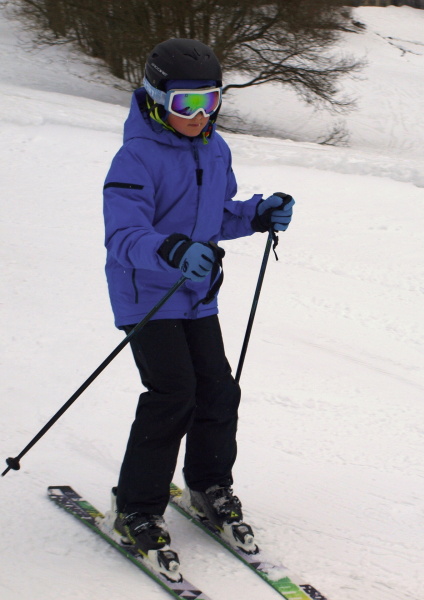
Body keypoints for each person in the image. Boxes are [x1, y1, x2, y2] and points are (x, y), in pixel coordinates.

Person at [102, 38, 294, 565]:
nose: (198, 115)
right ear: (156, 98)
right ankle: (137, 508)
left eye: (209, 101)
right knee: (173, 393)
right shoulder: (135, 157)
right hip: (147, 295)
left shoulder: (215, 149)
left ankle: (209, 486)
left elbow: (215, 216)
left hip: (197, 295)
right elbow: (122, 236)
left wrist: (256, 214)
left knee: (218, 390)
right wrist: (171, 249)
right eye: (185, 103)